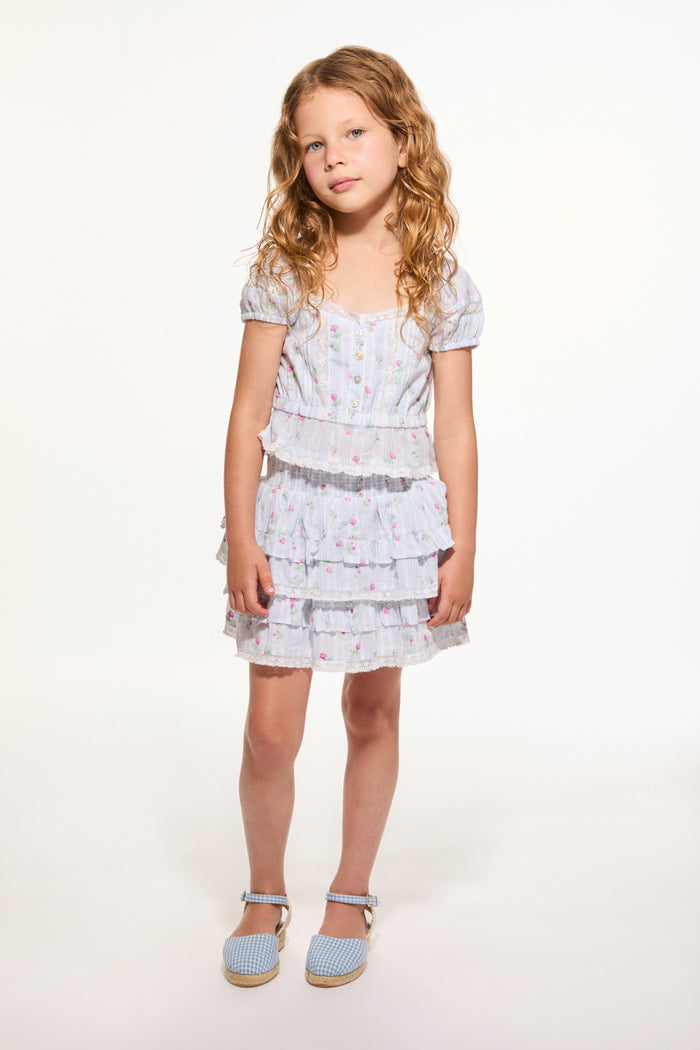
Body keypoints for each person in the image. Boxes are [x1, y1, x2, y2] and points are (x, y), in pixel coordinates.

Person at [216, 45, 484, 988]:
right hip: (292, 523)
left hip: (391, 533)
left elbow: (455, 427)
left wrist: (461, 547)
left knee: (371, 712)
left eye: (355, 132)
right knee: (270, 731)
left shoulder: (439, 281)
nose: (333, 156)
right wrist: (242, 537)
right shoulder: (284, 271)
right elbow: (246, 415)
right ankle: (263, 891)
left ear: (404, 140)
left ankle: (350, 892)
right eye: (312, 143)